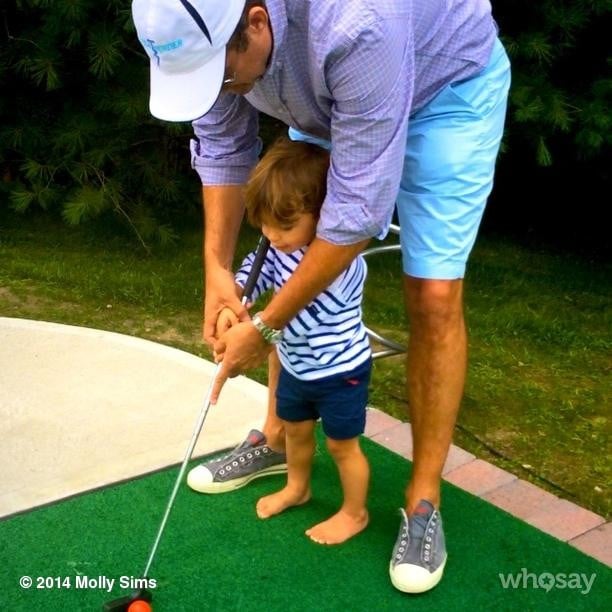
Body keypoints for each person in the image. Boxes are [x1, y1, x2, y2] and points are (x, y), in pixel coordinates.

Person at [132, 0, 511, 593]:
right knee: (284, 261)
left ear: (255, 20)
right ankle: (281, 440)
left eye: (225, 76)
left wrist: (265, 327)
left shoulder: (357, 21)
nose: (226, 90)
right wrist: (216, 269)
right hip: (325, 89)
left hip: (445, 90)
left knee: (434, 296)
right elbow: (224, 148)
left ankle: (423, 500)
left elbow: (358, 213)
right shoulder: (222, 43)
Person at [190, 137, 372, 544]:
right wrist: (235, 298)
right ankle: (297, 487)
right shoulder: (277, 246)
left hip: (340, 372)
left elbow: (307, 316)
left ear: (322, 215)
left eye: (284, 226)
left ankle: (354, 512)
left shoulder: (341, 264)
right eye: (265, 226)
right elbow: (256, 268)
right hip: (297, 368)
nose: (272, 235)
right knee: (296, 433)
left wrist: (253, 331)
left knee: (343, 447)